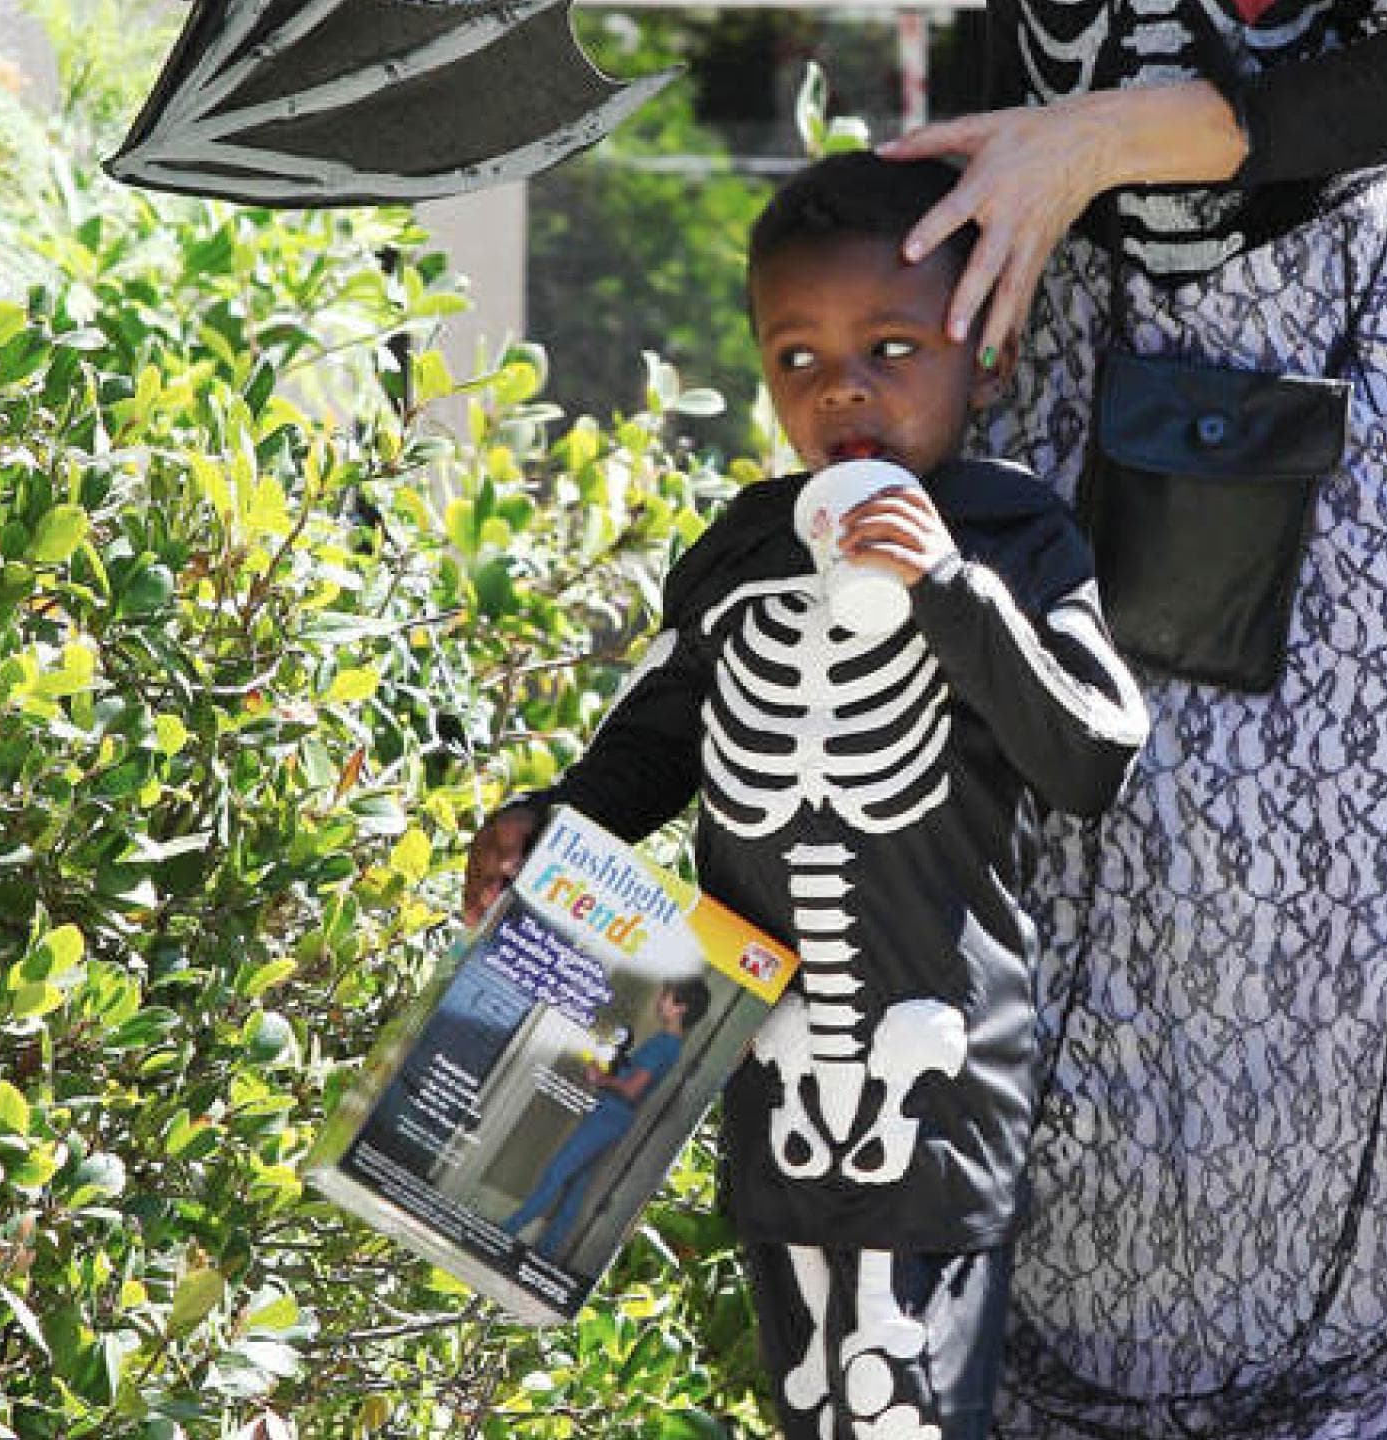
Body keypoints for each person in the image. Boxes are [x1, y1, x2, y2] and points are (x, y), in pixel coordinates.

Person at [876, 1, 1387, 1436]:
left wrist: (1098, 141)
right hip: (1057, 371)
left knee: (1367, 975)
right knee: (1074, 940)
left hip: (1357, 399)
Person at [462, 151, 1149, 1440]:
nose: (842, 387)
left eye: (894, 347)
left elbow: (1094, 753)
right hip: (760, 1065)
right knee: (806, 1400)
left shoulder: (1012, 535)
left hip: (937, 1080)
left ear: (985, 359)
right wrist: (549, 824)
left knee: (906, 1407)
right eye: (798, 359)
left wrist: (953, 592)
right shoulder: (742, 549)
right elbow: (654, 741)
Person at [503, 979, 711, 1261]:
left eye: (667, 996)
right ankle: (546, 1254)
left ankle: (504, 1234)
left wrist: (601, 1078)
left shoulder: (664, 1044)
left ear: (680, 1008)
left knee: (557, 1173)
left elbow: (632, 1089)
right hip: (616, 1118)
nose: (660, 999)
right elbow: (631, 1079)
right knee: (576, 1187)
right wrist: (607, 1070)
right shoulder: (671, 1045)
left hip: (610, 1116)